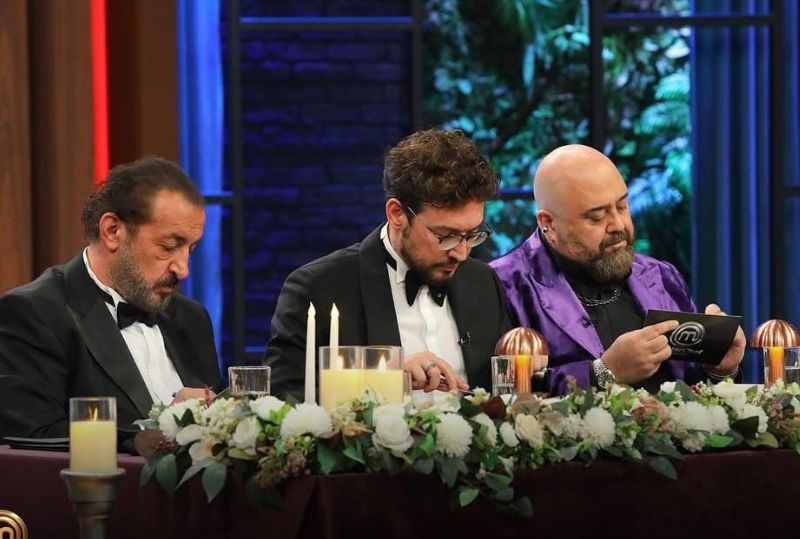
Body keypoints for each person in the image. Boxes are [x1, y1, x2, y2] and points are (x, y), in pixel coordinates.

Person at [265, 129, 511, 400]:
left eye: (472, 234)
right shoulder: (318, 288)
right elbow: (281, 399)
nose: (462, 254)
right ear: (397, 214)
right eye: (446, 236)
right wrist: (386, 381)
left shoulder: (483, 282)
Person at [490, 144, 745, 395]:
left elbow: (692, 387)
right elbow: (498, 394)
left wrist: (719, 370)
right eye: (596, 217)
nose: (619, 225)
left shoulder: (661, 276)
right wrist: (604, 373)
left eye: (622, 206)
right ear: (549, 224)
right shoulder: (502, 286)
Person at [0, 157, 222, 439]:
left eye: (190, 250)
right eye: (168, 247)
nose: (183, 269)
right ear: (112, 231)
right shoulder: (35, 313)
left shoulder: (192, 318)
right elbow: (33, 436)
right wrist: (160, 429)